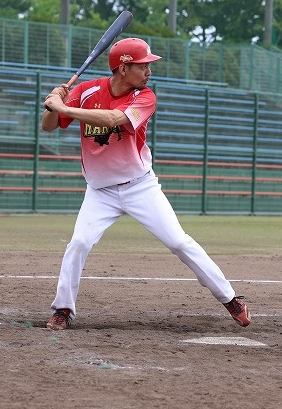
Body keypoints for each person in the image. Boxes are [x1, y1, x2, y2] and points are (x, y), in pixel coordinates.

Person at [41, 37, 251, 330]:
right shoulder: (86, 91)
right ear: (123, 68)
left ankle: (229, 298)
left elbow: (113, 119)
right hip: (100, 192)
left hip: (140, 186)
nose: (149, 72)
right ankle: (63, 310)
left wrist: (65, 108)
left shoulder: (145, 97)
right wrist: (54, 105)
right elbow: (48, 126)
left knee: (179, 242)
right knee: (78, 243)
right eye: (143, 66)